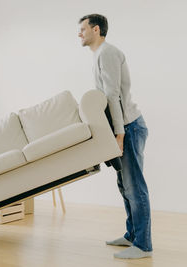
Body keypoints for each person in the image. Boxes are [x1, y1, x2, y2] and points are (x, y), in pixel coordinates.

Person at [78, 14, 152, 259]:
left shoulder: (107, 53)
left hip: (129, 127)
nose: (79, 34)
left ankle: (143, 245)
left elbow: (113, 96)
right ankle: (132, 235)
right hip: (122, 128)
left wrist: (119, 133)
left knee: (135, 187)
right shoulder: (100, 55)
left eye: (83, 29)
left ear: (96, 29)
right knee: (124, 186)